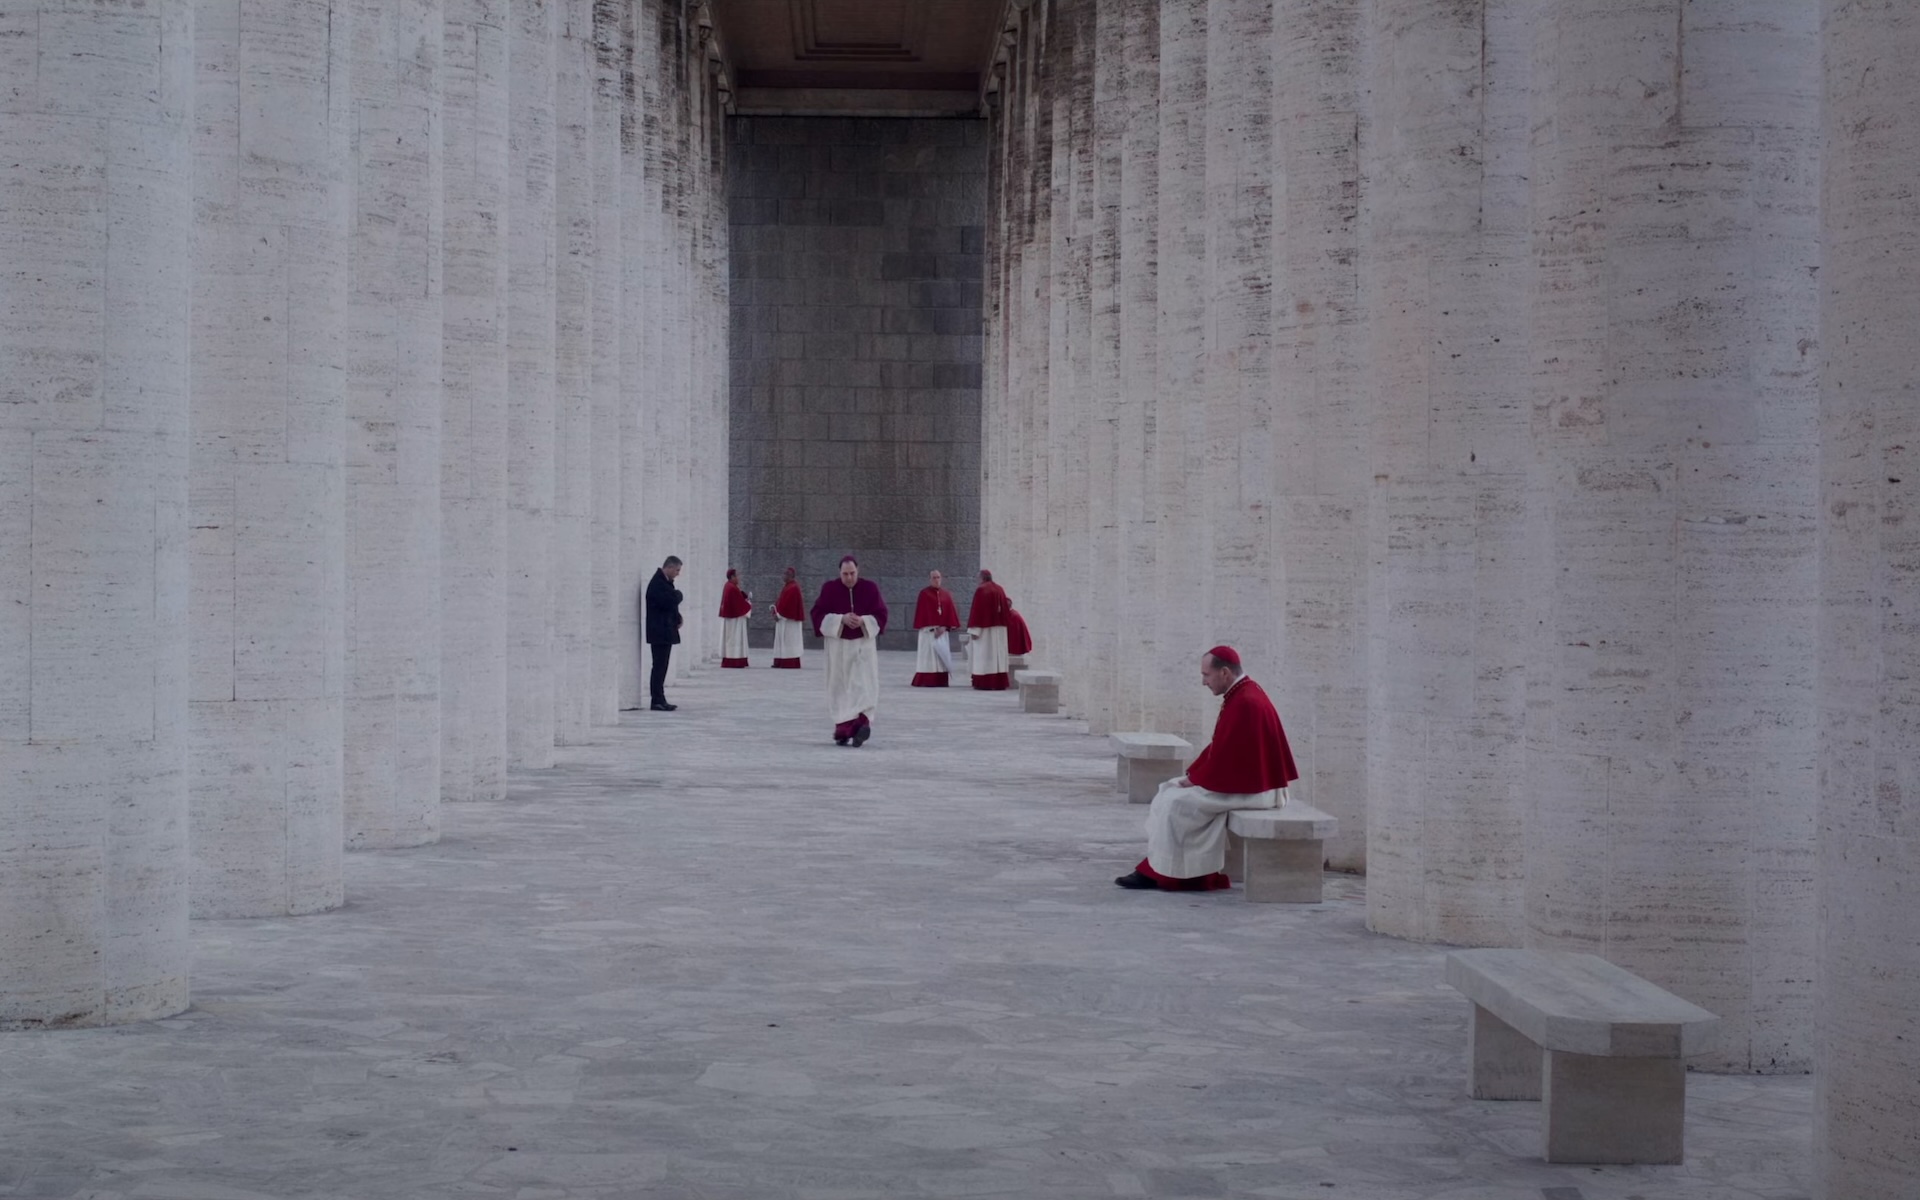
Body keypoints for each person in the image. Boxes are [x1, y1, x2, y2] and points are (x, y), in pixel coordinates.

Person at [1115, 646, 1300, 891]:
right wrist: (1195, 774)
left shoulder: (1246, 701)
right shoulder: (1242, 693)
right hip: (1250, 783)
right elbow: (1224, 747)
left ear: (1224, 672)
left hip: (1259, 791)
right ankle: (1161, 866)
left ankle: (1177, 875)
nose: (1203, 682)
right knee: (1168, 790)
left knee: (1176, 804)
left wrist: (1197, 779)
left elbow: (1229, 757)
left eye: (1206, 675)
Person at [809, 555, 888, 746]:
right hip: (838, 647)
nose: (849, 578)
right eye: (845, 574)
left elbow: (881, 614)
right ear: (840, 573)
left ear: (858, 571)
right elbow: (817, 614)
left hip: (862, 646)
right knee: (840, 686)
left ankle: (861, 724)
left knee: (863, 685)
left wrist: (864, 621)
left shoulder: (870, 589)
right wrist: (840, 619)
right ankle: (844, 728)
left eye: (852, 573)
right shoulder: (829, 589)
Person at [643, 556, 684, 711]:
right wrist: (679, 595)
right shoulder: (658, 583)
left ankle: (660, 699)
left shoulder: (665, 582)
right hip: (659, 632)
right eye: (677, 570)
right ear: (669, 567)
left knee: (662, 666)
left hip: (664, 631)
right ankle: (656, 700)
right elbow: (668, 601)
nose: (678, 573)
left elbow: (668, 605)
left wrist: (677, 617)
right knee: (659, 667)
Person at [911, 569, 961, 687]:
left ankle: (941, 680)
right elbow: (922, 613)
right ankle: (926, 680)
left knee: (941, 658)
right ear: (930, 579)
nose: (937, 580)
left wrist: (945, 627)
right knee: (928, 657)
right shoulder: (924, 594)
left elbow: (950, 613)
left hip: (942, 631)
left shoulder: (946, 594)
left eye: (938, 577)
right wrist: (930, 627)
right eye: (934, 578)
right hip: (928, 632)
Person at [966, 569, 1012, 690]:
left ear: (982, 578)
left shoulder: (981, 590)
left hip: (985, 630)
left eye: (978, 579)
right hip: (1000, 629)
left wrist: (974, 630)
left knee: (984, 655)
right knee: (997, 657)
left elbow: (977, 611)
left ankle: (985, 682)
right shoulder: (1000, 589)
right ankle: (998, 682)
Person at [771, 566, 805, 668]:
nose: (783, 576)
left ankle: (789, 662)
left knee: (789, 640)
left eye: (785, 574)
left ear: (790, 575)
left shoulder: (793, 588)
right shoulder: (787, 586)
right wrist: (775, 611)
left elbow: (788, 605)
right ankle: (780, 660)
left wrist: (778, 614)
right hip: (783, 619)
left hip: (789, 621)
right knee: (782, 641)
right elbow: (781, 601)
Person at [718, 568, 751, 668]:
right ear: (732, 577)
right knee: (734, 639)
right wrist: (748, 604)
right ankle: (734, 660)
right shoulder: (731, 588)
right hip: (734, 619)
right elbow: (738, 605)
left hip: (732, 617)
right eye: (737, 576)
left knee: (731, 639)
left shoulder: (729, 586)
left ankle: (734, 659)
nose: (739, 578)